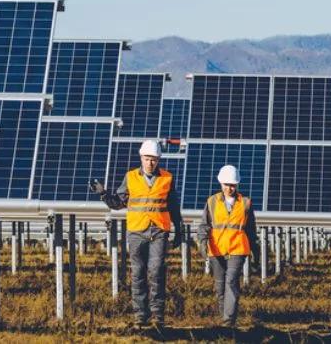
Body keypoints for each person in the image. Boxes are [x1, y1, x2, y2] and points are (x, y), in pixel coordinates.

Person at [93, 139, 183, 331]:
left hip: (159, 230)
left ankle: (158, 316)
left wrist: (179, 229)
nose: (150, 162)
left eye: (154, 159)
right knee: (138, 274)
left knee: (156, 271)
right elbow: (118, 202)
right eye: (147, 158)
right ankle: (140, 316)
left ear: (158, 160)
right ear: (141, 158)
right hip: (136, 231)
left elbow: (173, 205)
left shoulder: (167, 178)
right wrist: (103, 194)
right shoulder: (131, 177)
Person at [197, 164, 259, 329]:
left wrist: (256, 252)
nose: (229, 188)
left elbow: (251, 229)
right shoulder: (211, 202)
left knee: (231, 281)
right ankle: (225, 319)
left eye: (232, 185)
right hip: (216, 249)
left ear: (237, 185)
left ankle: (228, 320)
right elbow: (204, 225)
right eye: (226, 184)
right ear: (220, 184)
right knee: (220, 286)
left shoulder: (245, 203)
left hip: (238, 248)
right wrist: (203, 244)